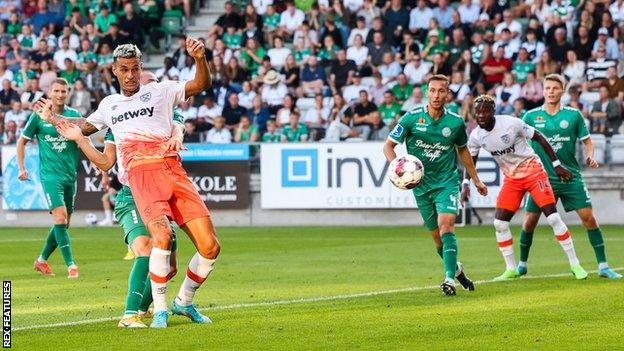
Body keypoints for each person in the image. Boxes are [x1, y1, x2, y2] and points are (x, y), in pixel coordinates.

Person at [35, 39, 218, 328]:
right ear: (115, 71)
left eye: (135, 69)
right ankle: (152, 312)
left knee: (210, 247)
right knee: (158, 240)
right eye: (125, 69)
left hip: (173, 171)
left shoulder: (161, 91)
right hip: (140, 179)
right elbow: (83, 126)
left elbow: (200, 83)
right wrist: (53, 117)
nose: (131, 75)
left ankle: (182, 302)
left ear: (141, 68)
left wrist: (200, 57)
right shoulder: (110, 106)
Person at [462, 94, 587, 281]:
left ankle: (575, 265)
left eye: (484, 111)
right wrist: (466, 183)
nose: (480, 115)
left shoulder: (511, 123)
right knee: (499, 223)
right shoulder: (476, 136)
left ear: (493, 111)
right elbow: (470, 161)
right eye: (477, 112)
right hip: (512, 178)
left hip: (533, 171)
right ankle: (511, 269)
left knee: (553, 218)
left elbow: (540, 137)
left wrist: (556, 164)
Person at [383, 75, 488, 296]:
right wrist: (398, 168)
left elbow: (463, 150)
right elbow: (389, 146)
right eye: (432, 90)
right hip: (420, 187)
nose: (436, 95)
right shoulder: (411, 118)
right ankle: (457, 269)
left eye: (441, 91)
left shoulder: (456, 122)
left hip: (446, 183)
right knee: (438, 240)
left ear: (448, 94)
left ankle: (449, 279)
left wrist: (475, 179)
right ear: (427, 92)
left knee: (447, 225)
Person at [520, 75, 621, 279]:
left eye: (555, 88)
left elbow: (588, 142)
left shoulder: (574, 116)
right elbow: (516, 141)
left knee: (589, 219)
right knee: (529, 221)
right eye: (547, 88)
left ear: (562, 91)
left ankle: (603, 266)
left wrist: (591, 156)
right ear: (543, 90)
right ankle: (521, 265)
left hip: (570, 177)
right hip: (541, 179)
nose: (550, 91)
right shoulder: (530, 117)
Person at [18, 78, 81, 279]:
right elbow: (21, 142)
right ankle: (71, 265)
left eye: (64, 91)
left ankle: (41, 260)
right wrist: (22, 168)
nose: (60, 94)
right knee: (60, 218)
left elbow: (85, 139)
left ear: (68, 92)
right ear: (50, 92)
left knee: (64, 223)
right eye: (57, 91)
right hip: (50, 177)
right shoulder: (38, 116)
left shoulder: (74, 116)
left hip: (70, 176)